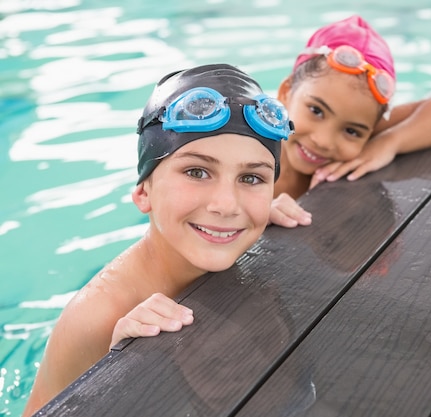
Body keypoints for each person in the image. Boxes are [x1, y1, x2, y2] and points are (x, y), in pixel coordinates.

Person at [22, 63, 293, 416]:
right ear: (143, 193)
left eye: (251, 179)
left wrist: (260, 219)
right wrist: (117, 377)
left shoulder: (242, 230)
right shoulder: (98, 316)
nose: (226, 205)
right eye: (197, 172)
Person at [269, 15, 431, 228]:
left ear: (370, 129)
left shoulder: (359, 124)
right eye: (316, 110)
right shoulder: (247, 149)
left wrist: (388, 143)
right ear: (286, 92)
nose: (324, 141)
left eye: (352, 132)